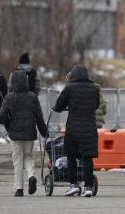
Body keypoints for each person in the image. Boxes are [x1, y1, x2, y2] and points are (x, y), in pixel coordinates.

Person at [53, 65, 99, 197]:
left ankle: (74, 185)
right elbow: (96, 105)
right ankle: (89, 186)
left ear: (72, 76)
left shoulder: (69, 88)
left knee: (71, 155)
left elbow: (58, 106)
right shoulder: (94, 88)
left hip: (73, 127)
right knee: (87, 157)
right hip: (90, 126)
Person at [0, 70, 47, 197]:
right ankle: (31, 176)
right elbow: (39, 117)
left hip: (15, 133)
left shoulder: (9, 97)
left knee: (17, 160)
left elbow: (2, 113)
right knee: (28, 156)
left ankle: (19, 189)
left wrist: (8, 127)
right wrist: (44, 132)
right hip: (30, 132)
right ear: (26, 82)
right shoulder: (32, 97)